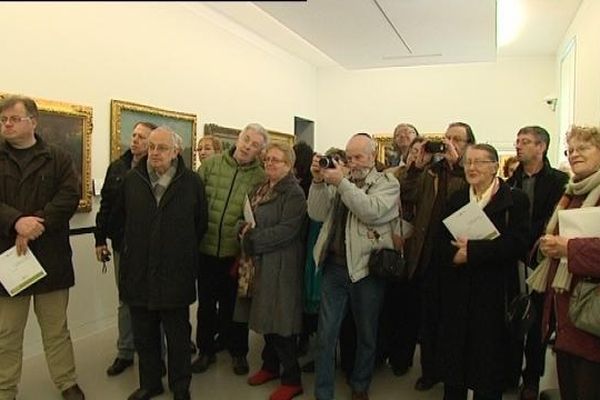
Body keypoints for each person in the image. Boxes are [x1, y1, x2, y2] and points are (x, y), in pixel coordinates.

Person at [110, 126, 208, 400]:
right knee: (145, 334)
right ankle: (150, 383)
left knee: (177, 336)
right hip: (139, 271)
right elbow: (120, 220)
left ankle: (180, 386)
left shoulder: (191, 183)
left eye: (161, 147)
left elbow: (200, 223)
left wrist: (179, 249)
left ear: (176, 151)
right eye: (151, 146)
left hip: (175, 272)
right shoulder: (132, 180)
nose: (154, 152)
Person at [0, 95, 84, 400]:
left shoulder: (58, 158)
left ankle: (67, 382)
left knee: (56, 329)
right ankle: (5, 390)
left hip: (51, 257)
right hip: (9, 259)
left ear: (33, 122)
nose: (6, 124)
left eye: (13, 119)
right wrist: (16, 222)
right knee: (6, 333)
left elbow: (69, 196)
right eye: (3, 120)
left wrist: (36, 224)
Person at [309, 133, 400, 400]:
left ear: (373, 157)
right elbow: (316, 213)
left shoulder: (387, 183)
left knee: (367, 333)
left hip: (367, 270)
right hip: (334, 268)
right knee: (326, 336)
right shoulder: (340, 180)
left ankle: (360, 385)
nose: (353, 162)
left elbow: (371, 211)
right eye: (349, 157)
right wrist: (317, 181)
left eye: (359, 157)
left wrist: (341, 184)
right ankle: (323, 393)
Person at [437, 143, 530, 400]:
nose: (471, 167)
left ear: (494, 167)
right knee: (455, 366)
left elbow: (518, 243)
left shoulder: (514, 200)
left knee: (488, 368)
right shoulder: (456, 198)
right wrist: (455, 256)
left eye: (479, 162)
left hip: (494, 295)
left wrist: (474, 252)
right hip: (459, 293)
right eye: (467, 162)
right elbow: (440, 241)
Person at [402, 122, 476, 391]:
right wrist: (417, 166)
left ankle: (452, 372)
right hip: (428, 253)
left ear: (469, 144)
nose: (450, 142)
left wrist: (459, 166)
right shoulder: (431, 171)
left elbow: (471, 198)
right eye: (447, 137)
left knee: (453, 321)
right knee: (429, 318)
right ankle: (429, 371)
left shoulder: (471, 172)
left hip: (457, 254)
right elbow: (407, 193)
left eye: (458, 139)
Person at [532, 125, 600, 400]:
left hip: (591, 318)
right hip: (564, 314)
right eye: (570, 150)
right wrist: (547, 245)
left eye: (583, 148)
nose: (574, 154)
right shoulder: (572, 192)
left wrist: (568, 247)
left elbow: (569, 246)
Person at [193, 123, 267, 375]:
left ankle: (238, 352)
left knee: (235, 308)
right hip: (205, 249)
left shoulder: (260, 177)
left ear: (259, 151)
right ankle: (205, 351)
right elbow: (194, 200)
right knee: (205, 305)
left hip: (236, 254)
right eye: (247, 139)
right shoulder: (211, 166)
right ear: (239, 137)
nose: (248, 145)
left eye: (255, 144)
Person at [239, 143, 307, 400]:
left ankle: (292, 380)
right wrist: (241, 228)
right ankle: (270, 366)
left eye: (276, 160)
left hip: (282, 266)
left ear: (289, 164)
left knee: (282, 323)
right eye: (267, 159)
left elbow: (287, 231)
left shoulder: (294, 193)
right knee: (267, 318)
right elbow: (245, 216)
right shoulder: (260, 187)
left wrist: (252, 239)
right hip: (261, 264)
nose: (269, 163)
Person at [506, 126, 569, 399]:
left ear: (541, 147)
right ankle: (508, 373)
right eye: (518, 141)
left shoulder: (560, 181)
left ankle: (531, 379)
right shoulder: (510, 182)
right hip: (513, 259)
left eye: (526, 142)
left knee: (536, 323)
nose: (519, 146)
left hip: (543, 260)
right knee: (511, 316)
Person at [94, 121, 157, 376]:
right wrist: (100, 240)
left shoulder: (159, 170)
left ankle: (155, 354)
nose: (136, 140)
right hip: (123, 245)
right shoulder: (118, 167)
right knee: (126, 301)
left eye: (142, 137)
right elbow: (106, 206)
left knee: (154, 301)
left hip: (152, 248)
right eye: (134, 135)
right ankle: (125, 352)